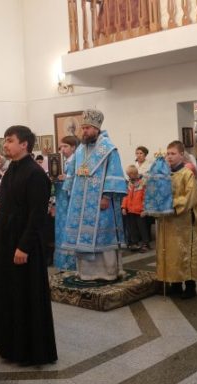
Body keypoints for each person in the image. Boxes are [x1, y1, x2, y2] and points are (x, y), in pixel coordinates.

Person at [0, 125, 57, 366]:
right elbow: (3, 208)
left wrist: (24, 247)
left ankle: (29, 351)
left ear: (24, 144)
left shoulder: (35, 174)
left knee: (25, 296)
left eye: (9, 140)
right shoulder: (11, 170)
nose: (5, 145)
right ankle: (10, 346)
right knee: (8, 294)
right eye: (5, 140)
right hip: (6, 242)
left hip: (23, 244)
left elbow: (37, 215)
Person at [62, 109, 127, 281]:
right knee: (82, 236)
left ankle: (107, 272)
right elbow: (72, 172)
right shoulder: (80, 150)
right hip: (80, 202)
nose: (84, 131)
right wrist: (69, 191)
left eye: (87, 128)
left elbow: (114, 173)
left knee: (101, 236)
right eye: (83, 128)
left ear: (96, 129)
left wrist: (106, 196)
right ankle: (85, 273)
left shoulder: (108, 149)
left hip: (100, 202)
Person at [156, 141, 197, 299]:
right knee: (171, 253)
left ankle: (190, 286)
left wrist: (171, 204)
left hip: (183, 221)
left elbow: (191, 197)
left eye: (173, 153)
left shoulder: (187, 173)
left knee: (185, 252)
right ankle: (175, 284)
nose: (169, 157)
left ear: (181, 155)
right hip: (168, 222)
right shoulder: (164, 175)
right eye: (168, 153)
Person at [53, 136, 78, 273]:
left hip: (70, 202)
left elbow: (80, 180)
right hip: (61, 202)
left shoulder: (77, 161)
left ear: (73, 147)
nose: (62, 150)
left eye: (65, 146)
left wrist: (66, 178)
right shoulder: (63, 163)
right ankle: (63, 264)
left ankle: (72, 263)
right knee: (61, 229)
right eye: (60, 147)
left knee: (69, 229)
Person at [122, 165, 149, 253]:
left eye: (129, 174)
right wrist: (124, 207)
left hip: (140, 211)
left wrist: (144, 209)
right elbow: (125, 196)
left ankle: (145, 244)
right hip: (130, 210)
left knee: (142, 228)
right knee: (132, 228)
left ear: (134, 173)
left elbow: (146, 197)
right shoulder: (129, 184)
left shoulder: (143, 183)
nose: (128, 176)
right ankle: (135, 243)